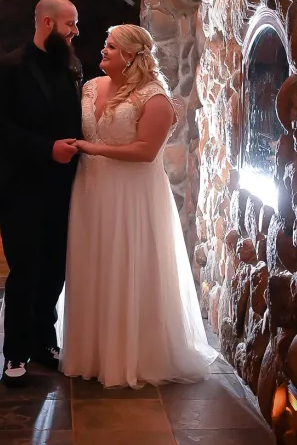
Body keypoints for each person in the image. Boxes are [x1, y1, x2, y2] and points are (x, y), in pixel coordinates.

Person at [59, 24, 218, 388]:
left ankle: (134, 356)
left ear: (130, 56)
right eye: (106, 44)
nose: (103, 50)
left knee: (127, 262)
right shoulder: (90, 88)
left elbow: (146, 151)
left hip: (131, 197)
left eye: (110, 46)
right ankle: (92, 352)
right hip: (90, 192)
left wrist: (95, 149)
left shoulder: (154, 98)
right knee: (93, 261)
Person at [0, 0, 83, 386]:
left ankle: (45, 341)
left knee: (55, 268)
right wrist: (47, 149)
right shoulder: (7, 67)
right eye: (70, 23)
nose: (75, 31)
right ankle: (15, 353)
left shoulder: (72, 67)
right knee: (25, 269)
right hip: (21, 186)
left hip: (62, 186)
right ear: (46, 23)